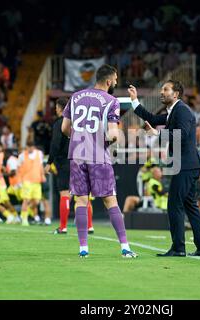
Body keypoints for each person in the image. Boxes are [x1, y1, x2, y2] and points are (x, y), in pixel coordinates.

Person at [61, 64, 137, 258]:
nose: (116, 82)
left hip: (77, 153)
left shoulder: (75, 97)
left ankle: (83, 249)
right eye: (116, 80)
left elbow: (64, 128)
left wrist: (79, 138)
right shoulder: (111, 101)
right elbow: (112, 134)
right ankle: (125, 247)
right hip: (97, 155)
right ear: (109, 81)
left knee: (80, 200)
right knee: (110, 200)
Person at [128, 80, 200, 257]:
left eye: (166, 89)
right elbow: (152, 118)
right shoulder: (174, 111)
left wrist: (157, 133)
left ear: (176, 94)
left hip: (186, 164)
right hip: (187, 164)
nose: (162, 92)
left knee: (174, 205)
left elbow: (181, 135)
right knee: (190, 205)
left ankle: (179, 248)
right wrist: (134, 101)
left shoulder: (182, 110)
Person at [46, 97, 94, 234]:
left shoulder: (59, 123)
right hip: (80, 161)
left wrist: (49, 162)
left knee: (65, 194)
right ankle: (90, 225)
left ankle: (63, 227)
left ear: (61, 108)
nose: (55, 110)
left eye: (56, 107)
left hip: (65, 162)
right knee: (82, 195)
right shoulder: (80, 123)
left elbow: (55, 144)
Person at [18, 141, 46, 226]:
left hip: (36, 180)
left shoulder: (39, 153)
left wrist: (43, 175)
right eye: (28, 147)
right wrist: (19, 180)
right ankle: (24, 219)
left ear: (34, 147)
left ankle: (23, 214)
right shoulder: (22, 155)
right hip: (26, 180)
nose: (29, 149)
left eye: (31, 147)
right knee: (26, 200)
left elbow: (41, 165)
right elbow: (18, 168)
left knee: (36, 201)